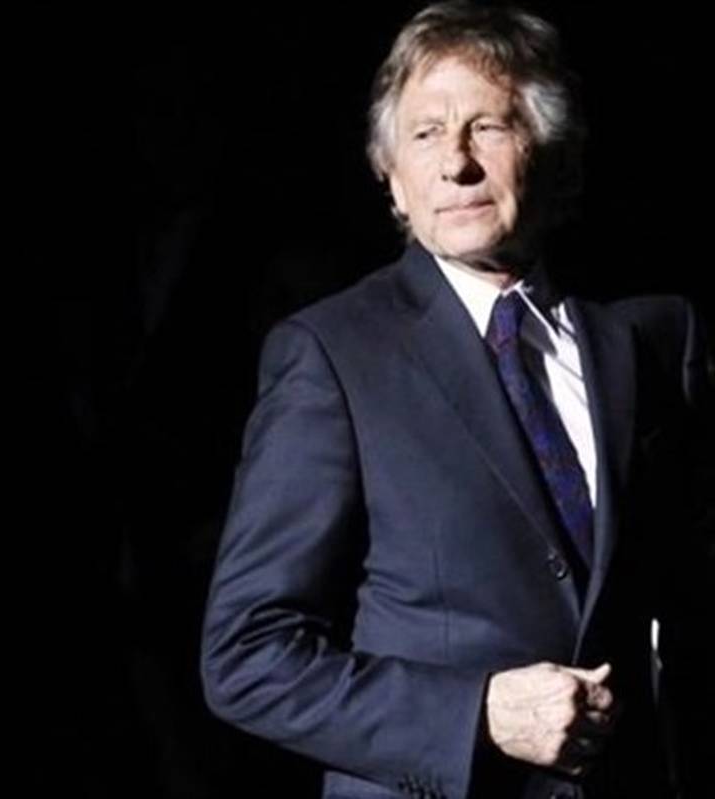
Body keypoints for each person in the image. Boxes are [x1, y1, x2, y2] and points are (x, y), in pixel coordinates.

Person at [199, 3, 712, 797]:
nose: (456, 164)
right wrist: (476, 715)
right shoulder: (334, 356)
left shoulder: (647, 333)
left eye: (487, 127)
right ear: (392, 179)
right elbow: (246, 655)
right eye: (426, 134)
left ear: (547, 147)